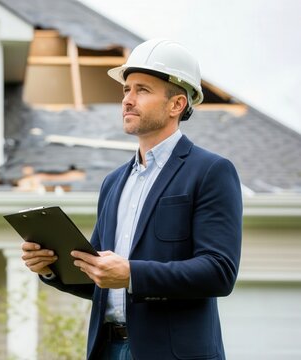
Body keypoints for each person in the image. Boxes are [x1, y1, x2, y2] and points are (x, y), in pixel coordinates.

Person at [21, 38, 242, 360]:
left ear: (176, 104)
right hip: (107, 348)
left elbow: (219, 271)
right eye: (126, 90)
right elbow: (100, 279)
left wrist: (132, 274)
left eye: (142, 90)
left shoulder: (211, 171)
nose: (127, 100)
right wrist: (50, 267)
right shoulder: (113, 183)